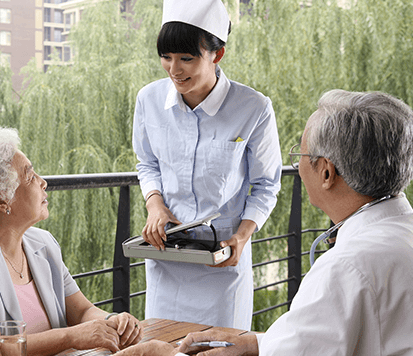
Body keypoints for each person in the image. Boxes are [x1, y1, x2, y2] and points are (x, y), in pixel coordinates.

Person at [127, 90, 413, 356]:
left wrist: (167, 355)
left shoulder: (345, 268)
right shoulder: (399, 235)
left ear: (326, 173)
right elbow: (317, 339)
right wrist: (256, 342)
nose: (297, 166)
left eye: (300, 155)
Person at [132, 0, 281, 329]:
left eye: (186, 58)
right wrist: (154, 205)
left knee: (218, 347)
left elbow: (266, 184)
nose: (174, 69)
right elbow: (148, 164)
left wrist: (241, 237)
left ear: (218, 54)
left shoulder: (253, 108)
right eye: (166, 57)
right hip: (166, 254)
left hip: (222, 260)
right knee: (161, 346)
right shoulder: (149, 99)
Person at [0, 127, 143, 356]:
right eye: (30, 176)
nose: (43, 182)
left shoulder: (43, 243)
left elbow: (82, 311)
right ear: (2, 200)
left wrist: (111, 322)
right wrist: (70, 336)